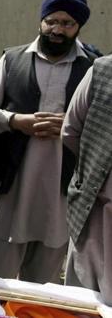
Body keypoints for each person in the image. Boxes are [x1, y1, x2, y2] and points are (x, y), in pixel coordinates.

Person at [0, 0, 97, 283]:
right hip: (12, 187)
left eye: (67, 23)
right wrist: (17, 121)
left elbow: (103, 127)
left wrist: (71, 126)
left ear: (78, 27)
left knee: (42, 288)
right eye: (51, 21)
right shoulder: (11, 60)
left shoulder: (95, 66)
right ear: (40, 22)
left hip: (60, 193)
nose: (57, 29)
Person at [62, 54, 112, 305]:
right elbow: (71, 131)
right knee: (82, 300)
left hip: (95, 200)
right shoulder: (103, 70)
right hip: (93, 209)